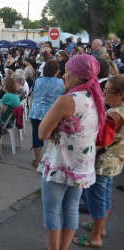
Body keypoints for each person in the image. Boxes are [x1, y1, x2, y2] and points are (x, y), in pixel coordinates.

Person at [37, 54, 105, 250]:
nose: (64, 75)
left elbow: (42, 133)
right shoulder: (96, 97)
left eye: (67, 72)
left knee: (51, 210)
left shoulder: (68, 100)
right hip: (82, 166)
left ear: (78, 76)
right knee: (71, 209)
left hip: (61, 164)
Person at [72, 75, 124, 248]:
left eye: (108, 92)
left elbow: (100, 139)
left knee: (96, 199)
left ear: (121, 95)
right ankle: (99, 228)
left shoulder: (115, 115)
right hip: (115, 161)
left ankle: (95, 237)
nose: (104, 94)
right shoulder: (119, 109)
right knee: (105, 195)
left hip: (103, 161)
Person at [29, 60, 64, 167]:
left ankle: (38, 160)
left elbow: (36, 93)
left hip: (36, 112)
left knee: (36, 135)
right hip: (51, 113)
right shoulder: (60, 82)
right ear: (56, 70)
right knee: (54, 137)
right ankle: (51, 159)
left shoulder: (38, 81)